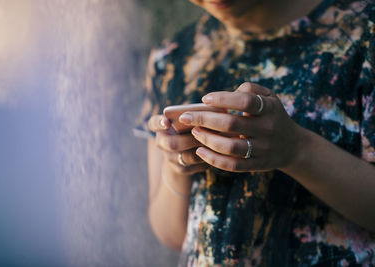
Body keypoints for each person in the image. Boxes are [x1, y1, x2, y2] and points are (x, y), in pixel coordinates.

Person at [134, 0, 375, 265]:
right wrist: (176, 168)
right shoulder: (172, 58)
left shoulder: (364, 33)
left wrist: (298, 151)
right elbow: (171, 234)